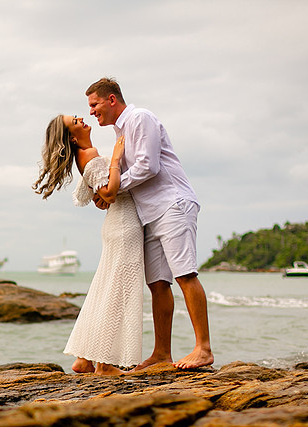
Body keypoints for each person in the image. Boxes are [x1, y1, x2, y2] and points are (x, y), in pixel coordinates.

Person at [85, 77, 214, 370]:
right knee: (158, 283)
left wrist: (112, 189)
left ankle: (203, 348)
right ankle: (161, 354)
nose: (92, 111)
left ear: (112, 99)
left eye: (94, 104)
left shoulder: (140, 118)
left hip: (173, 204)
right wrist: (108, 190)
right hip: (150, 213)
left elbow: (148, 166)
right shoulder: (121, 131)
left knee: (185, 274)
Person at [33, 114, 144, 375]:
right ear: (72, 137)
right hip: (124, 227)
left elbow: (98, 192)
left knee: (104, 291)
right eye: (75, 121)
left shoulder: (86, 154)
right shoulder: (88, 153)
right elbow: (108, 192)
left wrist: (102, 192)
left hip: (118, 225)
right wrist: (116, 159)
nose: (82, 118)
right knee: (117, 295)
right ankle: (104, 364)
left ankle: (84, 359)